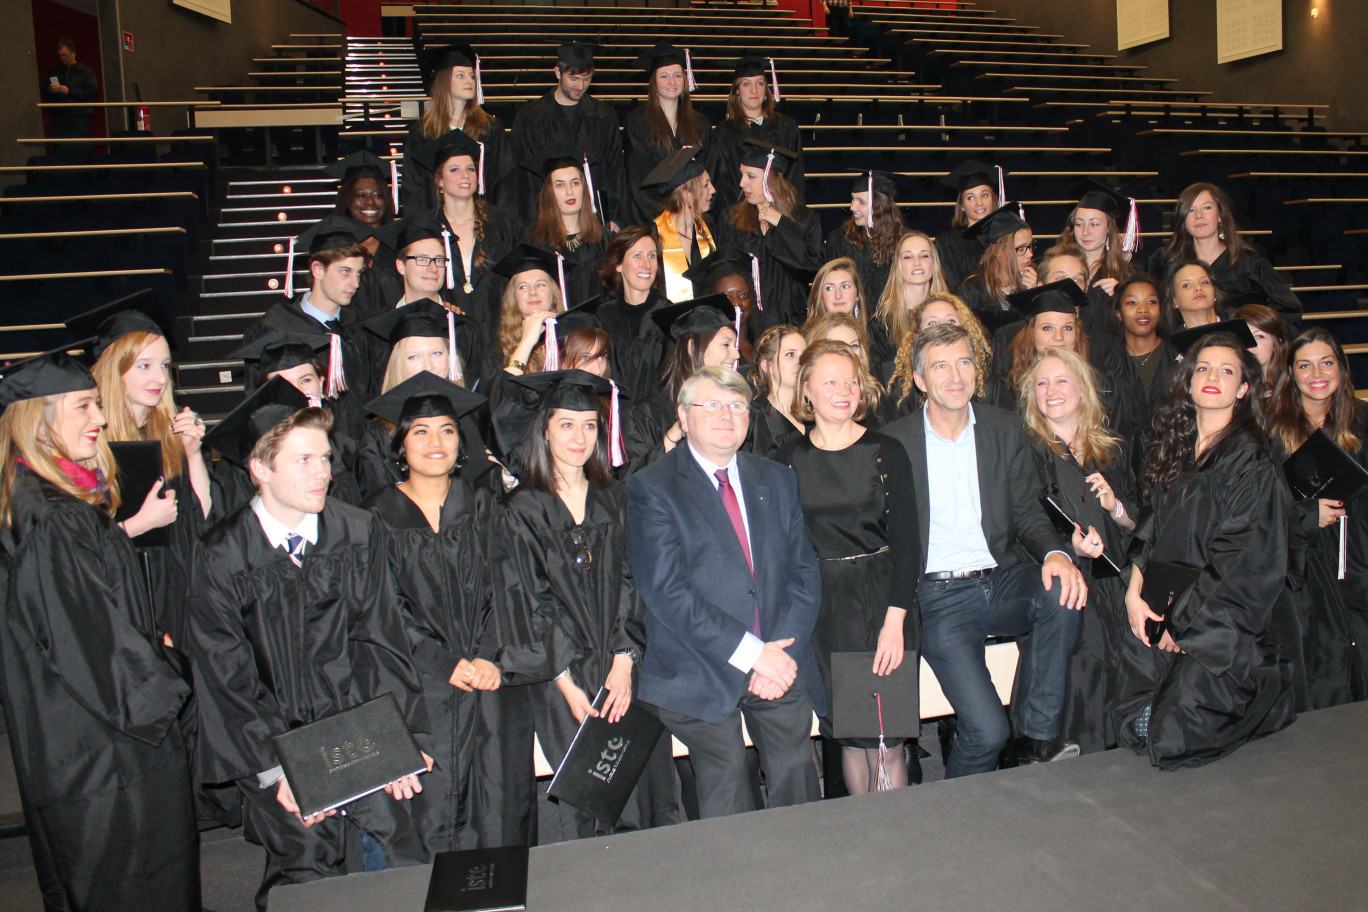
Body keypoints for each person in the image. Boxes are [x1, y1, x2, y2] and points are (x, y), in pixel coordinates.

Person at [187, 404, 431, 909]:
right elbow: (227, 678)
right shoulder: (223, 555)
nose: (323, 472)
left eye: (325, 457)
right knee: (307, 875)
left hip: (358, 732)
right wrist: (283, 772)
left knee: (400, 859)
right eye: (303, 461)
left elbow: (381, 643)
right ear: (260, 468)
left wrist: (395, 742)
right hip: (276, 747)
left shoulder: (358, 532)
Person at [0, 351, 199, 912]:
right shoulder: (55, 517)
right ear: (37, 419)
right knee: (132, 875)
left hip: (68, 730)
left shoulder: (35, 498)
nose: (101, 418)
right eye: (83, 406)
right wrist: (170, 674)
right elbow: (90, 642)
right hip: (104, 744)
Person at [882, 322, 1086, 777]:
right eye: (940, 366)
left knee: (1062, 590)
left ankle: (1035, 739)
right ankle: (960, 813)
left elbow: (1028, 512)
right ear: (919, 380)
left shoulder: (1003, 428)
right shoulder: (894, 442)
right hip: (938, 597)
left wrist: (1056, 554)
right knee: (987, 732)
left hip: (1000, 579)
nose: (955, 375)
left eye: (964, 362)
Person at [627, 365, 825, 817]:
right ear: (683, 415)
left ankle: (810, 869)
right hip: (697, 665)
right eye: (711, 405)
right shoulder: (652, 488)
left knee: (797, 770)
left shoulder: (775, 479)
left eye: (737, 406)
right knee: (727, 778)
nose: (726, 415)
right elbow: (667, 593)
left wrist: (781, 654)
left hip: (777, 655)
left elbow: (804, 571)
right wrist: (754, 654)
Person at [493, 370, 684, 837]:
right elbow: (526, 599)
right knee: (590, 799)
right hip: (560, 679)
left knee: (646, 787)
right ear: (544, 429)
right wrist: (566, 681)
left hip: (625, 667)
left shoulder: (615, 498)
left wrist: (623, 660)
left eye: (590, 426)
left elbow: (631, 579)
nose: (579, 437)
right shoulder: (522, 509)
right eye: (566, 425)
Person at [1115, 331, 1296, 768]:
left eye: (1227, 371)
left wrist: (1185, 623)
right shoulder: (1176, 449)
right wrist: (1133, 595)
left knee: (1175, 733)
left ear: (1244, 389)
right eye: (1203, 368)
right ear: (1189, 382)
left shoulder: (1250, 460)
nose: (1213, 377)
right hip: (1163, 603)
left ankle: (1261, 693)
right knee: (1126, 707)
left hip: (1220, 622)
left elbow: (1239, 559)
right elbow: (1150, 530)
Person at [362, 373, 516, 852]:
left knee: (494, 807)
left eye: (447, 429)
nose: (436, 441)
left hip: (487, 682)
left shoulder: (485, 505)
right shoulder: (375, 516)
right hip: (419, 688)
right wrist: (444, 663)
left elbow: (508, 587)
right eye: (420, 431)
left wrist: (490, 656)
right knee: (431, 812)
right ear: (400, 445)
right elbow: (379, 609)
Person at [778, 340, 921, 792]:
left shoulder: (886, 450)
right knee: (853, 736)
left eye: (852, 381)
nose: (845, 390)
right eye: (832, 381)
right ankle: (867, 840)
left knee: (888, 735)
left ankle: (897, 836)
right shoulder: (785, 458)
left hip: (883, 599)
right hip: (825, 607)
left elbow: (908, 544)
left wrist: (895, 621)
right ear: (807, 391)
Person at [1019, 347, 1137, 753]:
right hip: (1066, 583)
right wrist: (1069, 545)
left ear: (1083, 389)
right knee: (1082, 662)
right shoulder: (1028, 451)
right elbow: (1023, 519)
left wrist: (1115, 508)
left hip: (1115, 583)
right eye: (1041, 383)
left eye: (1061, 380)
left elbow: (1142, 516)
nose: (1051, 390)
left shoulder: (1114, 450)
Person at [77, 300, 213, 650]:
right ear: (113, 370)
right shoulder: (87, 445)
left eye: (165, 365)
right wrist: (139, 524)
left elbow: (201, 517)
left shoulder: (169, 431)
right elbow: (76, 554)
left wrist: (193, 453)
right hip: (120, 597)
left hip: (174, 588)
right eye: (144, 366)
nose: (159, 378)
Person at [1267, 329, 1368, 709]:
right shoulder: (1270, 431)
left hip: (1358, 559)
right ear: (1290, 373)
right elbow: (1259, 505)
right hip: (1304, 569)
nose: (1317, 373)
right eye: (1304, 365)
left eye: (1327, 362)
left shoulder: (1362, 422)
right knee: (1322, 671)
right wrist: (1308, 513)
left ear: (1341, 368)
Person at [245, 215, 375, 426]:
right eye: (345, 272)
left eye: (359, 273)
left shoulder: (358, 327)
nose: (355, 283)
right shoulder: (274, 327)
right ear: (317, 270)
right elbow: (258, 405)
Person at [1148, 182, 1301, 329]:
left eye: (1207, 207)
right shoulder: (1166, 261)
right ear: (1183, 221)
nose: (1199, 215)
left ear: (1220, 215)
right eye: (1191, 210)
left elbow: (1288, 310)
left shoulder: (1249, 264)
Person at [508, 42, 628, 229]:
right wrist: (531, 223)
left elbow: (615, 169)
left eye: (587, 79)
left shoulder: (602, 116)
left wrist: (614, 216)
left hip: (593, 219)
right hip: (547, 221)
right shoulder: (531, 117)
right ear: (558, 72)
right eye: (573, 78)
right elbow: (523, 178)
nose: (580, 86)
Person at [411, 129, 519, 329]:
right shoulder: (426, 227)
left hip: (500, 328)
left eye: (470, 169)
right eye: (454, 170)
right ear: (439, 180)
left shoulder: (502, 222)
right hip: (447, 331)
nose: (465, 176)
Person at [717, 140, 822, 329]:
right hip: (748, 324)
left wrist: (782, 224)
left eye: (751, 176)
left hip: (792, 321)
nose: (742, 183)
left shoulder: (804, 219)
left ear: (770, 179)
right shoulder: (731, 219)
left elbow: (811, 267)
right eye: (742, 175)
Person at [634, 294, 742, 461]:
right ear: (692, 348)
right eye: (726, 344)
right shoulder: (648, 414)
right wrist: (674, 434)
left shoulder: (737, 408)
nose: (736, 354)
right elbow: (634, 481)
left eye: (735, 345)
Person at [403, 43, 508, 214]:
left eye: (472, 76)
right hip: (437, 221)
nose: (469, 81)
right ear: (444, 81)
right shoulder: (422, 132)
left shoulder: (490, 128)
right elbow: (415, 187)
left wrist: (498, 222)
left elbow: (503, 181)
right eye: (460, 75)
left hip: (482, 220)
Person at [624, 43, 713, 224]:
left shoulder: (700, 123)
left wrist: (693, 210)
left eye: (677, 76)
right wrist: (668, 217)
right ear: (654, 83)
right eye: (664, 76)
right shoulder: (637, 122)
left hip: (694, 216)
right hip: (654, 218)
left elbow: (710, 168)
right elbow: (637, 176)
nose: (672, 82)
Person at [886, 292, 1007, 416]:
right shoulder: (903, 393)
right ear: (917, 334)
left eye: (951, 321)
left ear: (966, 328)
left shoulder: (991, 388)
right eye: (932, 323)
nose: (943, 327)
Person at [711, 53, 803, 213]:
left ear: (766, 89)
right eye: (746, 84)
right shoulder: (724, 133)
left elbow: (794, 176)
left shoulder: (787, 127)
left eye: (760, 83)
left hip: (779, 213)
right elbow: (723, 183)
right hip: (741, 217)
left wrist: (781, 212)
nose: (754, 90)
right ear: (737, 91)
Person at [520, 142, 608, 307]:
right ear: (549, 193)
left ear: (584, 187)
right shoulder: (533, 243)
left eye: (575, 183)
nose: (570, 191)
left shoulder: (605, 240)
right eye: (560, 185)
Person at [595, 225, 672, 403]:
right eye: (637, 256)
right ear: (618, 264)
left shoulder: (668, 317)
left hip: (656, 422)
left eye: (652, 256)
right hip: (613, 418)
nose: (647, 265)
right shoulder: (603, 316)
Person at [1109, 274, 1177, 454]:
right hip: (1120, 464)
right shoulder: (1106, 363)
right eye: (1132, 303)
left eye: (1151, 302)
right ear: (1119, 313)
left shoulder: (1180, 358)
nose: (1143, 309)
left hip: (1174, 460)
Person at [871, 230, 950, 382]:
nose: (917, 262)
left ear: (934, 262)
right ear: (898, 266)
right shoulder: (882, 325)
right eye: (908, 257)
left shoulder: (951, 314)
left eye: (924, 255)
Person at [642, 145, 719, 302]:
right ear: (686, 195)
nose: (713, 190)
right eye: (706, 185)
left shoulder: (709, 226)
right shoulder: (653, 233)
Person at [824, 170, 907, 304]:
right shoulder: (840, 239)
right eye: (852, 199)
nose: (852, 207)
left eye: (861, 202)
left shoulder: (904, 241)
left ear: (880, 206)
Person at [955, 204, 1036, 335]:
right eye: (1021, 249)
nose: (1030, 254)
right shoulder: (972, 290)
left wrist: (1031, 296)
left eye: (1030, 246)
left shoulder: (1035, 282)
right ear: (996, 250)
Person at [489, 243, 566, 382]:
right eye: (523, 287)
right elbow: (499, 399)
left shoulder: (571, 338)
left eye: (540, 285)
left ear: (553, 294)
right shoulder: (497, 351)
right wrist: (526, 342)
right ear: (514, 298)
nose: (532, 292)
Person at [1058, 180, 1139, 299]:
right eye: (1079, 224)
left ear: (1109, 227)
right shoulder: (1058, 266)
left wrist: (1122, 296)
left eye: (1094, 224)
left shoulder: (1128, 274)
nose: (1085, 232)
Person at [936, 160, 1004, 289]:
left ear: (993, 199)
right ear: (961, 206)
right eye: (970, 198)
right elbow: (952, 287)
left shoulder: (1005, 236)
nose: (979, 203)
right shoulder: (948, 242)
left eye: (985, 195)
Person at [746, 324, 806, 458]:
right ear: (767, 366)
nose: (801, 361)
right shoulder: (754, 419)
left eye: (805, 354)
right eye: (790, 354)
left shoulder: (816, 410)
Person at [1232, 300, 1289, 394]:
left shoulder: (1293, 387)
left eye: (1259, 337)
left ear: (1276, 344)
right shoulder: (1229, 386)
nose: (1251, 344)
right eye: (1244, 336)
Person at [45, 38, 98, 137]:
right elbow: (45, 93)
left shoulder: (86, 72)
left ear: (73, 53)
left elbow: (91, 93)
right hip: (58, 117)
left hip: (78, 117)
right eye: (60, 55)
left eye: (65, 55)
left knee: (77, 147)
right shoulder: (55, 71)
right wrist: (50, 90)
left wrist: (69, 91)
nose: (62, 58)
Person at [1162, 259, 1229, 332]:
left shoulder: (1238, 329)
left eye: (1204, 282)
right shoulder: (1173, 342)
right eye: (1187, 285)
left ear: (1214, 292)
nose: (1198, 288)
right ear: (1174, 301)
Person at [802, 257, 868, 332]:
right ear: (820, 296)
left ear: (857, 294)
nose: (838, 295)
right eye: (829, 288)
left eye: (845, 286)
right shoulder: (805, 341)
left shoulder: (875, 338)